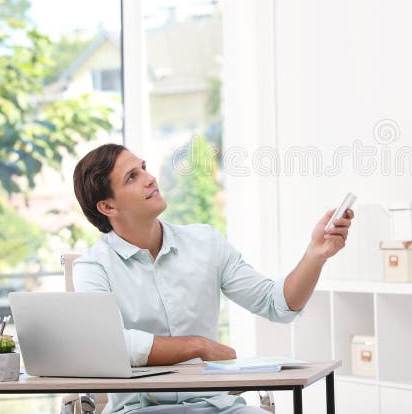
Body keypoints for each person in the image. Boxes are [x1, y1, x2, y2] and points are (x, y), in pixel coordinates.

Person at [71, 143, 353, 414]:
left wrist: (316, 254)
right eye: (133, 176)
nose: (150, 178)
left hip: (216, 406)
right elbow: (106, 344)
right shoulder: (93, 267)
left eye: (143, 167)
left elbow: (277, 304)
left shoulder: (205, 242)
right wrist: (198, 346)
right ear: (108, 207)